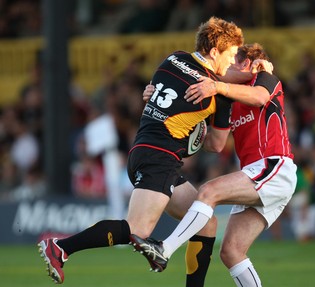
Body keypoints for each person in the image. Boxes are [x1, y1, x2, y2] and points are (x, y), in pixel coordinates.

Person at [37, 16, 244, 285]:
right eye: (230, 55)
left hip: (144, 149)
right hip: (160, 156)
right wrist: (201, 132)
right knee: (138, 229)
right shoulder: (218, 94)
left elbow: (154, 95)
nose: (231, 62)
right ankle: (61, 247)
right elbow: (216, 145)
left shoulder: (173, 59)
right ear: (215, 51)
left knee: (205, 222)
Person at [135, 43, 297, 286]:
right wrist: (156, 96)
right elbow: (214, 143)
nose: (226, 66)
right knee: (231, 251)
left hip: (274, 166)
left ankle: (165, 249)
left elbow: (260, 97)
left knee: (208, 192)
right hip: (255, 175)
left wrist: (219, 85)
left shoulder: (265, 79)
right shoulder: (225, 98)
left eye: (233, 61)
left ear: (249, 63)